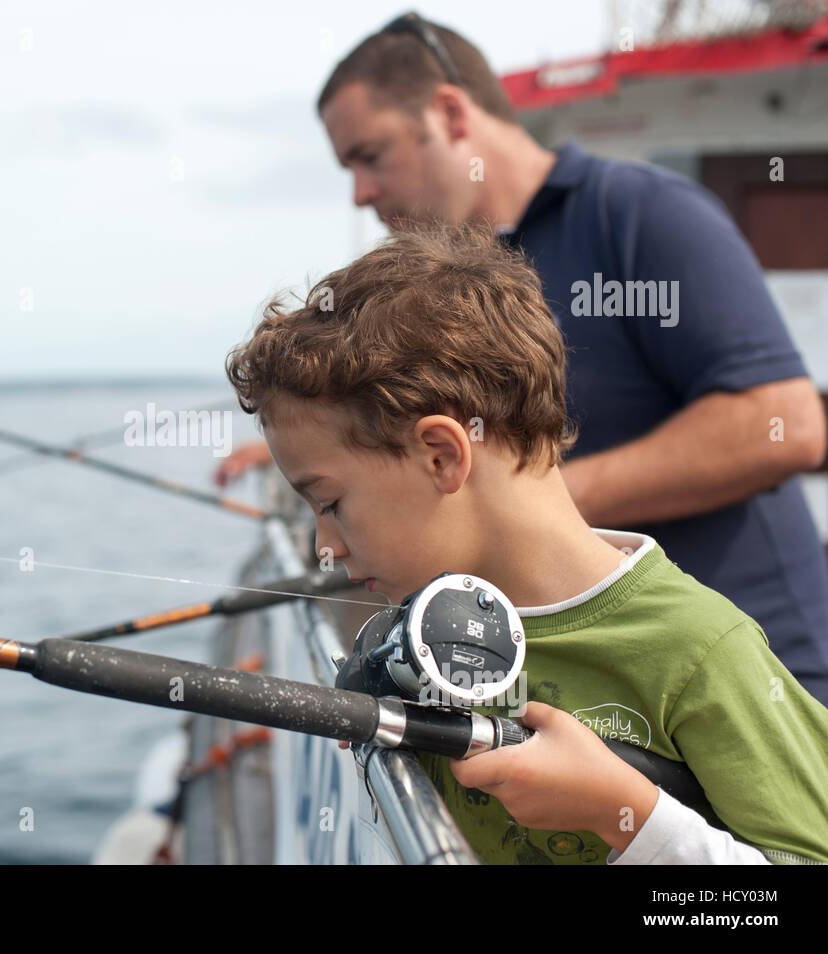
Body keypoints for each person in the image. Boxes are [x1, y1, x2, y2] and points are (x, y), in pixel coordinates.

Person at [215, 12, 828, 706]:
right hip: (588, 691)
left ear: (449, 113)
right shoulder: (445, 279)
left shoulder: (642, 214)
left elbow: (785, 422)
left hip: (750, 687)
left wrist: (519, 501)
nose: (360, 191)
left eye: (371, 155)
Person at [224, 220, 828, 864]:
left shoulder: (700, 651)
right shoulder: (419, 642)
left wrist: (628, 817)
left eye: (331, 504)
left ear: (440, 456)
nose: (327, 547)